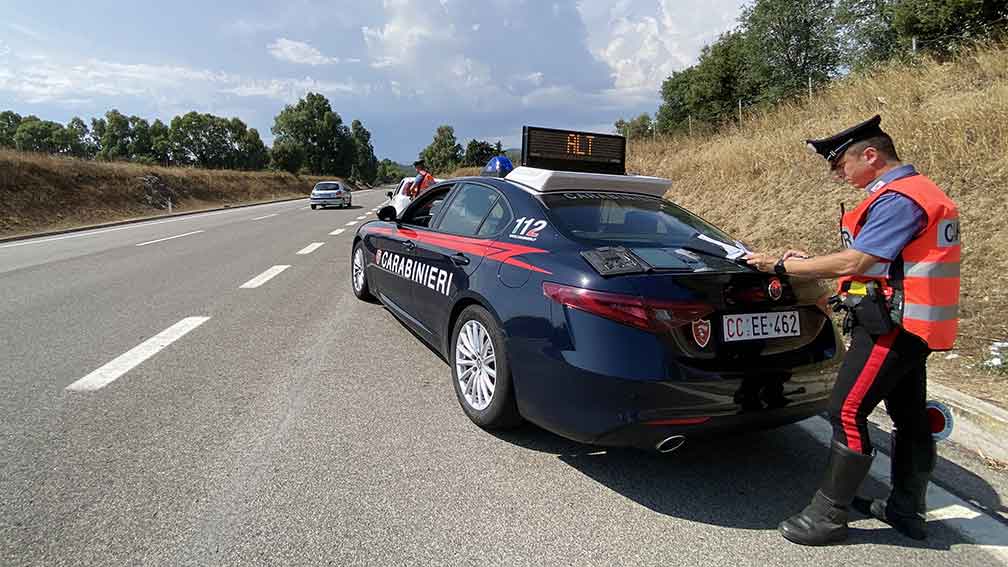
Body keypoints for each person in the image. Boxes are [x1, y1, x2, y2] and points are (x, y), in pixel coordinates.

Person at [744, 115, 960, 546]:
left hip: (889, 327)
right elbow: (882, 263)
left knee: (846, 410)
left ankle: (827, 517)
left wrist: (784, 266)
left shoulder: (900, 198)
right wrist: (813, 262)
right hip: (915, 323)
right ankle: (905, 510)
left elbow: (856, 263)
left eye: (840, 164)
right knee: (910, 416)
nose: (837, 173)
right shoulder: (915, 192)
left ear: (871, 154)